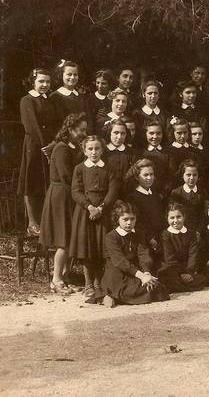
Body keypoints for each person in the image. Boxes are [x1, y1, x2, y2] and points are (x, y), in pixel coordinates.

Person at [40, 113, 87, 294]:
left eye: (85, 130)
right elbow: (66, 176)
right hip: (61, 196)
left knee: (69, 238)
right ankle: (56, 279)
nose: (83, 133)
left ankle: (65, 277)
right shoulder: (61, 148)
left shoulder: (73, 147)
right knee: (63, 240)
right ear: (70, 129)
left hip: (69, 195)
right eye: (81, 130)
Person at [70, 135, 120, 297]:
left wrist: (101, 208)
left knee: (100, 246)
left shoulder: (109, 168)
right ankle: (88, 283)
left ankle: (98, 282)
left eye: (97, 148)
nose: (94, 152)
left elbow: (113, 191)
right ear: (84, 151)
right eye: (90, 149)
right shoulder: (79, 168)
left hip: (103, 213)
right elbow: (75, 191)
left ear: (102, 150)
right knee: (87, 247)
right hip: (84, 213)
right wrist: (90, 207)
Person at [99, 200, 169, 307]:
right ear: (117, 219)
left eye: (132, 219)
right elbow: (120, 261)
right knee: (130, 288)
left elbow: (143, 254)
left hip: (135, 270)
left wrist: (146, 273)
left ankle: (117, 297)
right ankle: (109, 295)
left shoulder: (138, 234)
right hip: (117, 271)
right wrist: (141, 276)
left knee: (157, 288)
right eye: (125, 219)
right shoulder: (111, 237)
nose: (129, 223)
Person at [19, 68, 56, 235]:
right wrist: (44, 146)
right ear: (33, 82)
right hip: (34, 146)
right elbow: (31, 125)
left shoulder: (49, 100)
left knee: (46, 182)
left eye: (47, 81)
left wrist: (53, 144)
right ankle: (32, 223)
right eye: (41, 81)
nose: (45, 84)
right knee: (31, 182)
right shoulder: (27, 100)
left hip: (49, 146)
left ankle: (46, 222)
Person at [124, 158, 166, 261]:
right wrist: (150, 238)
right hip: (143, 240)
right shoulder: (132, 197)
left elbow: (161, 218)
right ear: (137, 177)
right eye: (145, 175)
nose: (149, 178)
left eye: (151, 174)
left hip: (159, 238)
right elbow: (137, 222)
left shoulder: (155, 195)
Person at [157, 203, 206, 292]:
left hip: (188, 269)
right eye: (172, 218)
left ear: (184, 217)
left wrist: (189, 272)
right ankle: (180, 285)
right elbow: (169, 258)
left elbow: (193, 255)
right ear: (167, 219)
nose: (175, 220)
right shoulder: (165, 235)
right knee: (167, 278)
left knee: (201, 279)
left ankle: (181, 285)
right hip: (172, 269)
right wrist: (181, 273)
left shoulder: (191, 234)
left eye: (178, 217)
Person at [50, 60, 90, 132]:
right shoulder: (55, 97)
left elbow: (89, 119)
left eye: (75, 75)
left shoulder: (81, 97)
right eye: (69, 74)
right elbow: (56, 123)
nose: (72, 77)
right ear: (61, 75)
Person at [169, 159, 205, 232]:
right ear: (182, 175)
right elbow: (174, 213)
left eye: (195, 175)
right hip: (181, 229)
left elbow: (204, 214)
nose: (192, 178)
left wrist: (199, 230)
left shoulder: (202, 192)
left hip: (199, 230)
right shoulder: (176, 193)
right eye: (188, 175)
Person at [132, 80, 166, 148]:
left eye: (155, 93)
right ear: (143, 94)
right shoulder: (137, 114)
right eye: (150, 93)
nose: (153, 96)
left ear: (158, 95)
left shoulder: (164, 114)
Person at [140, 119, 170, 193]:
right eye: (151, 133)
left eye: (158, 133)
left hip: (164, 191)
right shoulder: (140, 153)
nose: (155, 136)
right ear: (146, 134)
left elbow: (171, 175)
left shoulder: (168, 153)